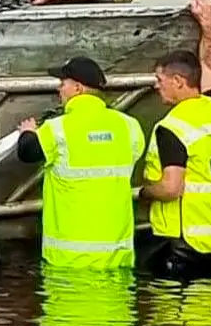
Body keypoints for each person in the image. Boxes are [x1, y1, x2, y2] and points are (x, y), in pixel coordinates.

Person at [14, 56, 146, 271]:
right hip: (117, 258)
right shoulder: (129, 127)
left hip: (69, 261)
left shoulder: (57, 129)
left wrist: (27, 132)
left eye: (62, 84)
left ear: (77, 88)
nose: (59, 90)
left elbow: (27, 153)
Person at [140, 0, 211, 281]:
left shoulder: (173, 127)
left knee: (174, 322)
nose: (156, 87)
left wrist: (144, 192)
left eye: (160, 81)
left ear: (178, 82)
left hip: (180, 246)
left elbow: (171, 188)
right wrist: (207, 26)